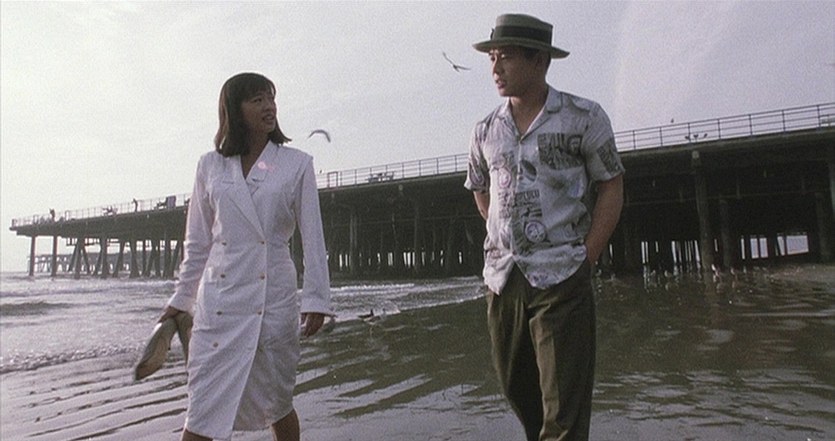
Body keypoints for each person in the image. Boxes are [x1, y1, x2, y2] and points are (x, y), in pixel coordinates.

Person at [464, 14, 625, 441]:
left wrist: (587, 255)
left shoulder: (583, 117)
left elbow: (611, 185)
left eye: (506, 57)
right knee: (517, 391)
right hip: (503, 279)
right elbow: (479, 189)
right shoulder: (485, 129)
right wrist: (506, 235)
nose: (495, 67)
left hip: (562, 275)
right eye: (492, 57)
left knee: (564, 409)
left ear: (539, 60)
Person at [160, 72, 332, 441]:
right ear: (234, 110)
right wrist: (181, 299)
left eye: (271, 98)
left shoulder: (296, 164)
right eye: (257, 100)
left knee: (277, 402)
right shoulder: (210, 166)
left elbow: (313, 237)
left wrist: (316, 298)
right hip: (219, 305)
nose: (269, 107)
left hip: (272, 300)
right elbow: (198, 243)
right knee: (202, 407)